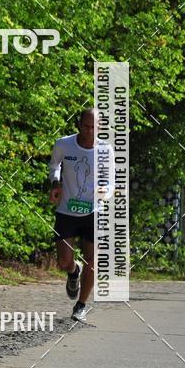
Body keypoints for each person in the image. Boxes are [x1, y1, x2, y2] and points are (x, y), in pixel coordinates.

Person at [49, 108, 114, 322]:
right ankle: (73, 271)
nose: (89, 131)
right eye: (86, 126)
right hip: (67, 210)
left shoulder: (106, 150)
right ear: (79, 125)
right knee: (64, 262)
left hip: (94, 212)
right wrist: (56, 184)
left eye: (94, 127)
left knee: (92, 260)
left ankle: (81, 305)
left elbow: (111, 182)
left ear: (101, 128)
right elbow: (54, 166)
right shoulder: (63, 144)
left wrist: (105, 192)